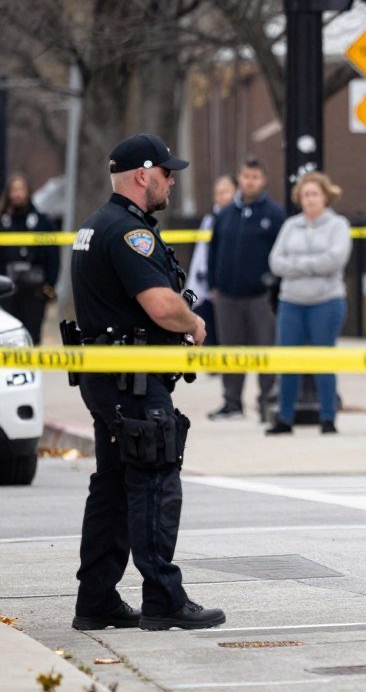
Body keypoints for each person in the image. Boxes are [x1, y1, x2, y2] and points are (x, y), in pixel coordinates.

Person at [69, 133, 225, 631]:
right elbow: (160, 305)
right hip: (131, 379)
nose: (171, 181)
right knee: (155, 479)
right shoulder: (130, 232)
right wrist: (194, 323)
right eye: (166, 172)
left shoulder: (95, 226)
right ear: (143, 174)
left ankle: (96, 601)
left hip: (106, 376)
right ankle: (164, 599)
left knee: (112, 484)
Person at [265, 172, 352, 436]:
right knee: (288, 361)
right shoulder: (291, 226)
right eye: (305, 194)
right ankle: (285, 418)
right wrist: (312, 266)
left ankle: (328, 418)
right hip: (291, 303)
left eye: (315, 194)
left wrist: (297, 266)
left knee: (323, 360)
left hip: (326, 302)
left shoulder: (338, 225)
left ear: (325, 196)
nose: (310, 199)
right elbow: (275, 262)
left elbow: (335, 260)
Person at [206, 157, 285, 421]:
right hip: (228, 295)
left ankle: (267, 401)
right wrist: (213, 283)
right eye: (246, 176)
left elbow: (281, 251)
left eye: (255, 177)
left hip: (261, 296)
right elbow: (213, 249)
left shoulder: (273, 214)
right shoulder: (226, 214)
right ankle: (232, 403)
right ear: (239, 178)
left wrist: (274, 286)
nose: (250, 181)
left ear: (263, 181)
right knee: (231, 350)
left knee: (265, 349)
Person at [0, 173, 59, 343]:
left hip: (35, 293)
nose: (17, 194)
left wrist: (48, 289)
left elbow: (52, 257)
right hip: (7, 293)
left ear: (28, 192)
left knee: (32, 338)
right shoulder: (3, 224)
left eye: (21, 189)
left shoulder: (42, 222)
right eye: (14, 190)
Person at [185, 175, 237, 348]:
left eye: (226, 191)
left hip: (231, 285)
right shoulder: (209, 220)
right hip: (208, 282)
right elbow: (202, 252)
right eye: (219, 193)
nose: (222, 196)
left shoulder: (239, 218)